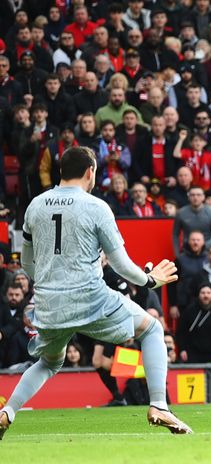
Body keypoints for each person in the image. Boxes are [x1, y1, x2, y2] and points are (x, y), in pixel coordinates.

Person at [0, 147, 191, 438]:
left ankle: (7, 411)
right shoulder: (96, 207)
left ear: (60, 171)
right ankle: (159, 405)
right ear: (91, 171)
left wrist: (49, 283)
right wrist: (150, 280)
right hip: (91, 297)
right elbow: (120, 264)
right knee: (151, 329)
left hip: (50, 303)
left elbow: (26, 262)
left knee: (49, 362)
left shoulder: (35, 206)